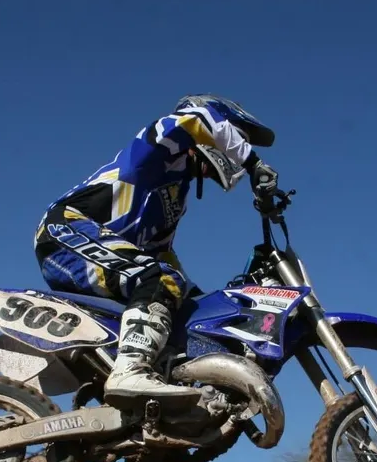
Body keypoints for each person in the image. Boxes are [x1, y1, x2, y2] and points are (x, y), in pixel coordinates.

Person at [33, 94, 280, 406]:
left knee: (176, 296)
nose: (235, 156)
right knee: (158, 280)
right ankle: (130, 370)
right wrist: (254, 162)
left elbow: (162, 254)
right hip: (65, 231)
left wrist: (204, 303)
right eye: (236, 137)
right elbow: (199, 116)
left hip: (100, 252)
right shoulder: (159, 148)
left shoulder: (176, 196)